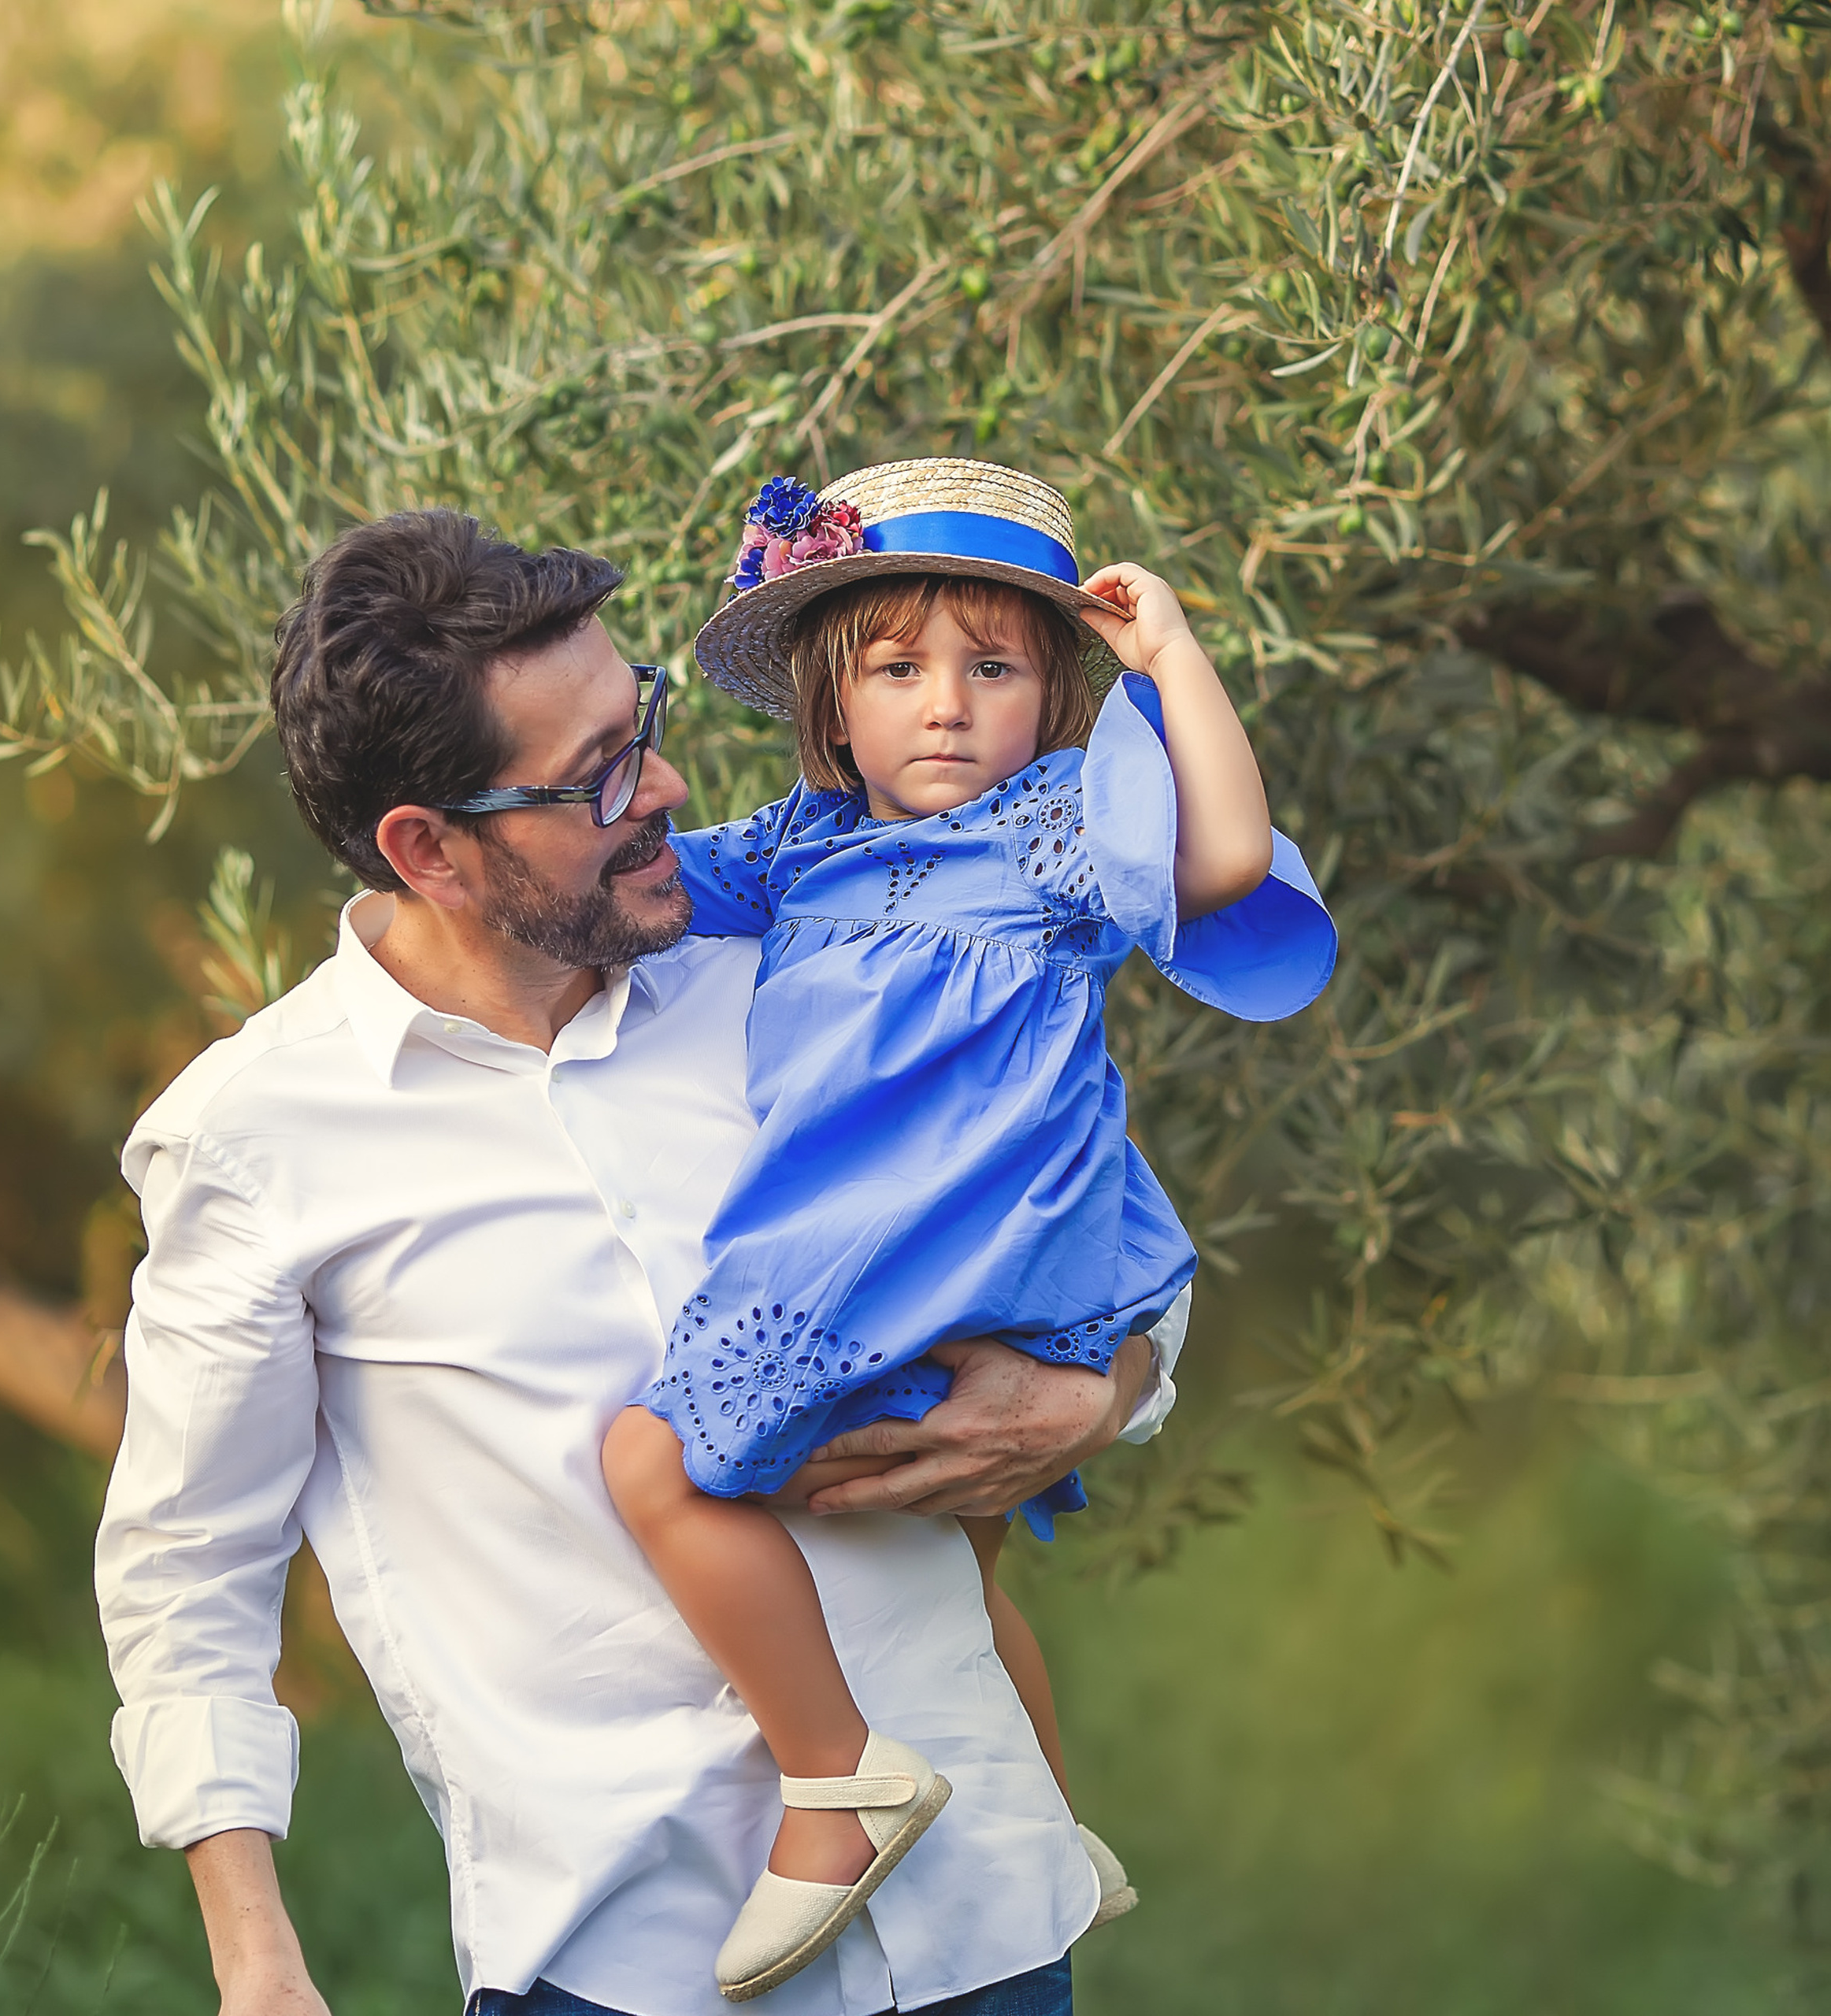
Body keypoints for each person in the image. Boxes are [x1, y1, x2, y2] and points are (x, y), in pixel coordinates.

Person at [93, 507, 1179, 2016]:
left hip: (986, 1927)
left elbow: (1091, 1212)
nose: (665, 785)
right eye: (598, 772)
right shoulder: (258, 1137)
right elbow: (188, 1574)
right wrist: (257, 1962)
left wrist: (1102, 1392)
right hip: (634, 1963)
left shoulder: (799, 968)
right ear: (430, 848)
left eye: (642, 720)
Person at [600, 459, 1336, 2000]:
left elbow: (1215, 860)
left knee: (651, 1461)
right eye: (897, 668)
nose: (945, 706)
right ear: (830, 706)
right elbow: (637, 889)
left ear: (1048, 695)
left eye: (991, 667)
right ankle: (1051, 1835)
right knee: (965, 1579)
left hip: (935, 1265)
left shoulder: (1050, 830)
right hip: (972, 1280)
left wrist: (1175, 662)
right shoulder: (796, 851)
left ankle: (832, 1780)